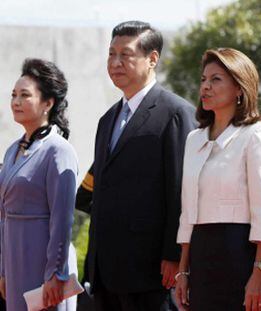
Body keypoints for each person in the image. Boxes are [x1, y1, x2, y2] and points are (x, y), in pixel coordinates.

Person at [84, 20, 196, 311]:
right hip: (106, 272)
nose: (115, 62)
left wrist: (174, 255)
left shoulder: (175, 113)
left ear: (152, 59)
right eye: (111, 54)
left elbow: (179, 188)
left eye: (126, 54)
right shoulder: (107, 120)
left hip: (151, 272)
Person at [175, 48, 261, 311]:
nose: (206, 87)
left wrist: (260, 272)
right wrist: (183, 271)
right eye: (203, 79)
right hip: (201, 255)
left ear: (239, 88)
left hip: (242, 252)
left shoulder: (259, 135)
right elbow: (188, 211)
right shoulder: (194, 139)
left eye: (216, 79)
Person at [0, 58, 78, 310]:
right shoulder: (12, 150)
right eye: (14, 95)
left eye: (25, 95)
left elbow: (62, 218)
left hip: (42, 261)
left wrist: (56, 273)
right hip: (14, 258)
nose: (16, 101)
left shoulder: (58, 150)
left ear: (48, 103)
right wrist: (3, 268)